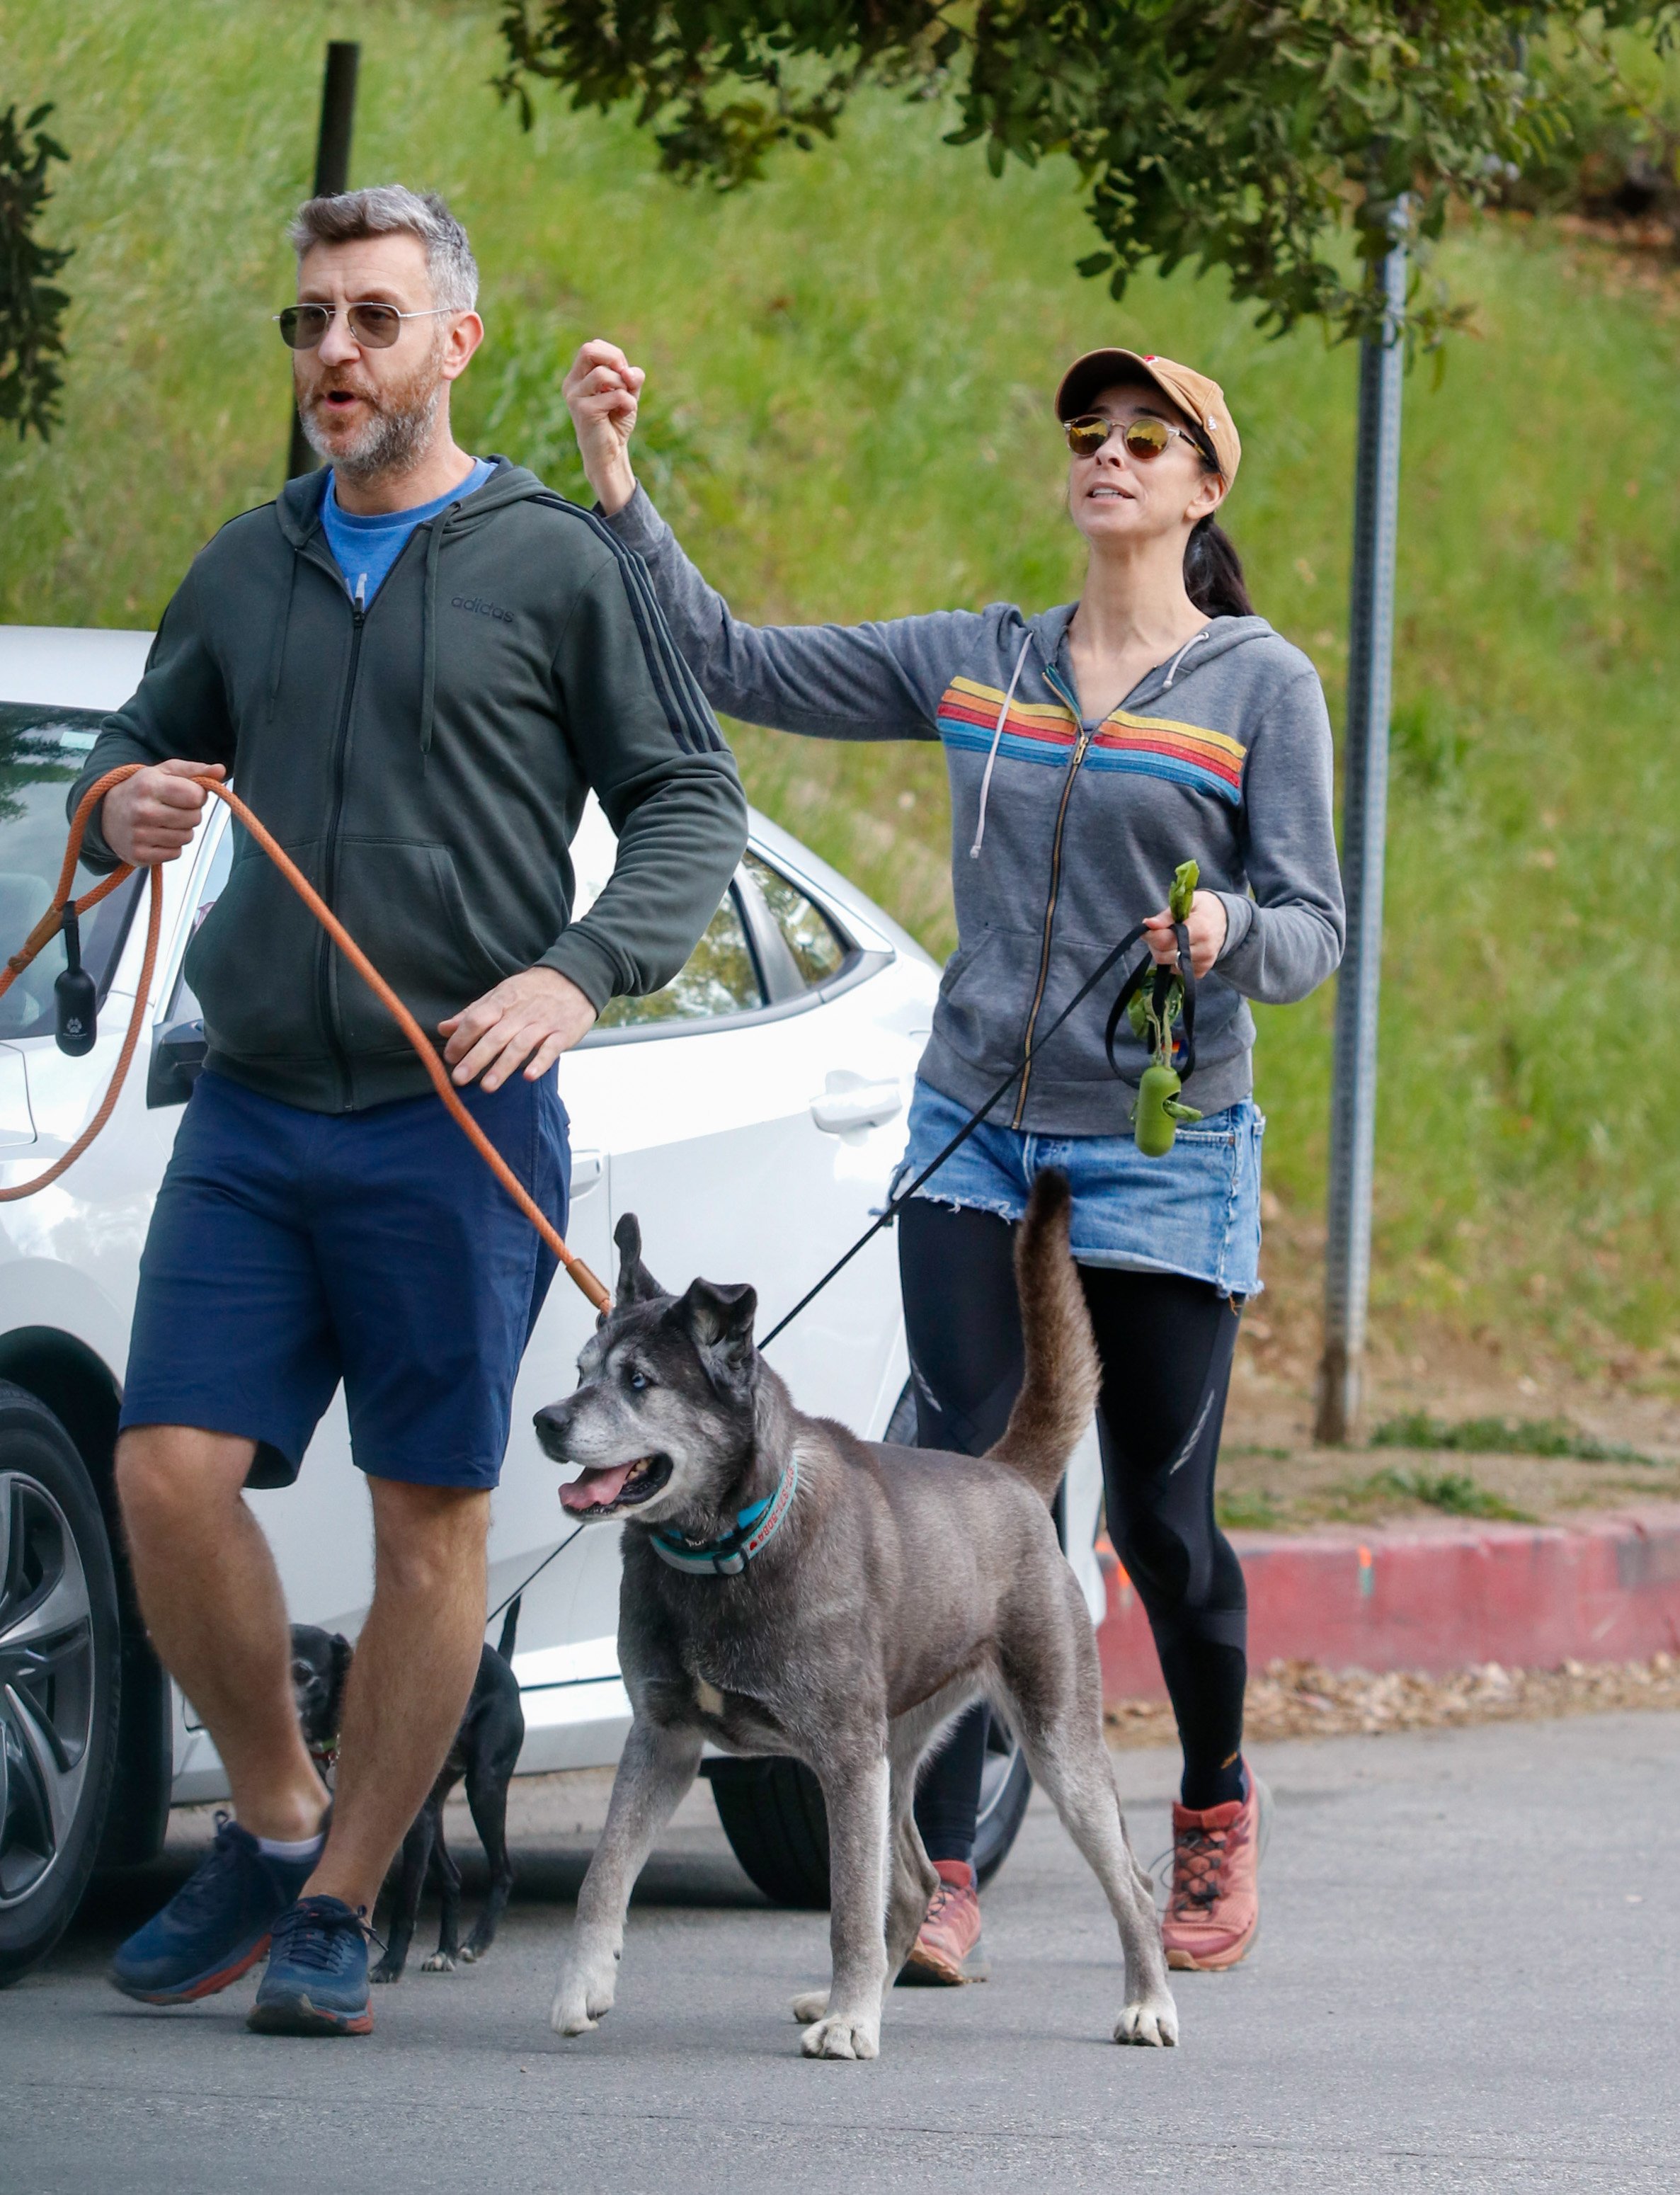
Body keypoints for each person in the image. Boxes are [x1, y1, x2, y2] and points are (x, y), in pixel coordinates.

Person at [563, 337, 1343, 1980]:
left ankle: (1209, 1793)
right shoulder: (977, 659)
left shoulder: (1260, 683)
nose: (1107, 455)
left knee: (1156, 1515)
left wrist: (1224, 926)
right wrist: (624, 494)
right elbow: (732, 661)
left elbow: (1315, 930)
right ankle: (939, 1866)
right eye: (1087, 431)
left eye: (1147, 437)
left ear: (1202, 486)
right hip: (978, 1128)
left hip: (1161, 1144)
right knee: (959, 1478)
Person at [81, 189, 746, 2039]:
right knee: (162, 1473)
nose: (334, 357)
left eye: (371, 321)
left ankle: (347, 1900)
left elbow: (688, 798)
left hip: (455, 1123)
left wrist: (579, 967)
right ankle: (282, 1813)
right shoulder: (246, 561)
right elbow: (141, 741)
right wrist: (125, 810)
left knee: (423, 1525)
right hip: (257, 1109)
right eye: (307, 324)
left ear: (455, 343)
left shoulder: (554, 564)